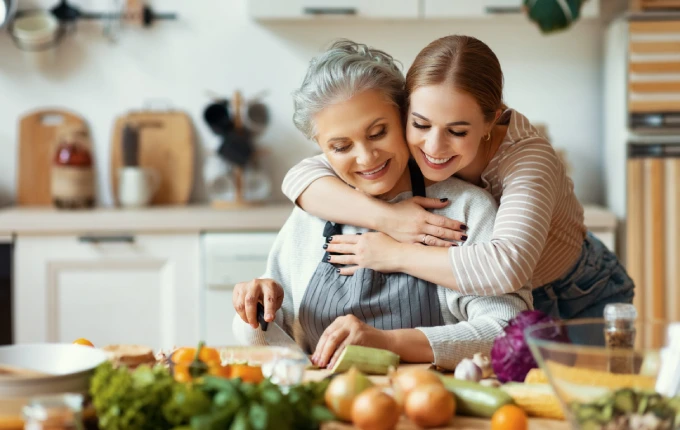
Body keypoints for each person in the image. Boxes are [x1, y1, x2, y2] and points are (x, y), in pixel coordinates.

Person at [280, 35, 634, 321]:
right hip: (495, 299)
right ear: (405, 110)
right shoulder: (394, 141)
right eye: (419, 124)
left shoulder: (529, 160)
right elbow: (302, 176)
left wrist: (393, 254)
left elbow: (505, 268)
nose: (432, 147)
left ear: (491, 120)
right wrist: (389, 218)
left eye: (458, 131)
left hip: (574, 292)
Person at [232, 40, 531, 370]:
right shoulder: (312, 212)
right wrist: (256, 313)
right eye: (341, 146)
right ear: (321, 149)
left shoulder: (463, 209)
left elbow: (508, 331)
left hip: (432, 405)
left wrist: (387, 343)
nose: (366, 157)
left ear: (403, 115)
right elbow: (281, 348)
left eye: (377, 132)